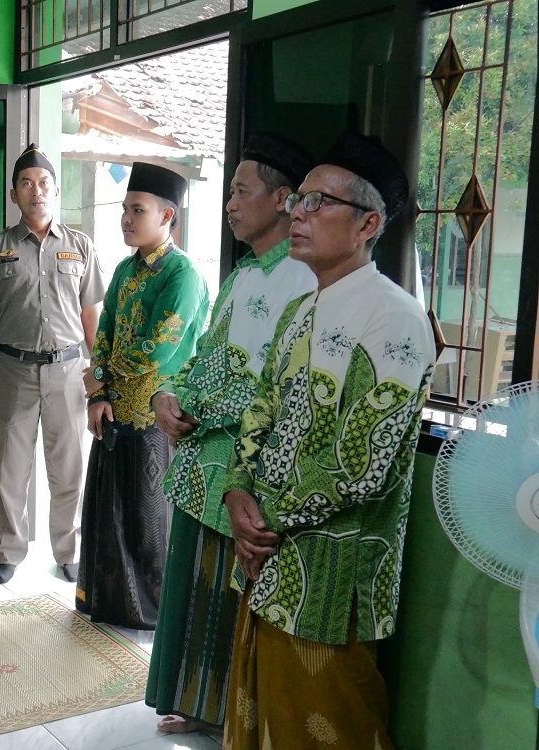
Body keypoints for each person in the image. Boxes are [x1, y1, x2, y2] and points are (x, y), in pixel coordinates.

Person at [221, 132, 435, 748]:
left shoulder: (394, 317)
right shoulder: (303, 310)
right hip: (268, 554)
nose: (299, 213)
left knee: (326, 728)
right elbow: (263, 409)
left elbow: (362, 464)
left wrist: (262, 523)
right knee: (263, 717)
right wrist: (237, 490)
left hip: (333, 573)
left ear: (368, 224)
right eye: (299, 200)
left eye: (319, 202)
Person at [145, 133, 318, 735]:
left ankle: (237, 718)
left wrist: (202, 405)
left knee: (235, 597)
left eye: (242, 191)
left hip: (249, 470)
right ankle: (202, 707)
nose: (231, 203)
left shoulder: (304, 279)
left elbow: (276, 387)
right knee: (199, 593)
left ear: (283, 199)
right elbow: (206, 359)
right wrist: (169, 395)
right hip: (204, 463)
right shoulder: (244, 275)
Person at [75, 162, 209, 629]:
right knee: (109, 513)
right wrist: (98, 394)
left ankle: (154, 615)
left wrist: (99, 375)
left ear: (167, 215)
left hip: (158, 417)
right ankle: (110, 604)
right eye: (125, 209)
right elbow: (104, 332)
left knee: (151, 523)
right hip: (114, 411)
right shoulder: (124, 269)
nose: (126, 219)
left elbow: (160, 346)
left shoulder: (182, 274)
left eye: (138, 210)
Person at [0, 143, 105, 585]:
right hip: (13, 370)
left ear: (56, 190)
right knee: (11, 469)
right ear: (14, 194)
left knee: (68, 469)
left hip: (69, 371)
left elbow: (92, 318)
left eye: (44, 183)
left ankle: (68, 550)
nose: (36, 190)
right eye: (26, 184)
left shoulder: (80, 246)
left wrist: (100, 378)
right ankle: (8, 552)